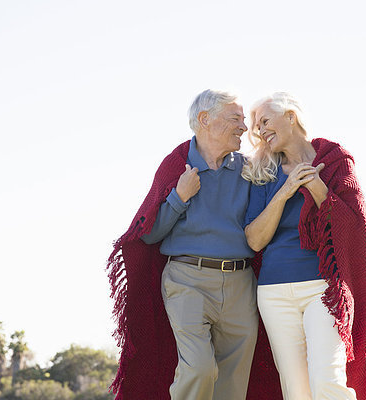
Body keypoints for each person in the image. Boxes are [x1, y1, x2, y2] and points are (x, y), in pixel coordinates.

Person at [107, 89, 258, 400]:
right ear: (205, 120)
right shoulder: (176, 163)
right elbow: (148, 234)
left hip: (241, 283)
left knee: (233, 381)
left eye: (244, 120)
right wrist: (179, 197)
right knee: (199, 369)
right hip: (188, 281)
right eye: (236, 119)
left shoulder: (249, 169)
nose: (244, 127)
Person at [242, 92, 366, 399]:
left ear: (290, 116)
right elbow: (254, 239)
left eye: (265, 121)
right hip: (273, 294)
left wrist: (316, 187)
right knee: (296, 391)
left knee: (327, 380)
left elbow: (353, 225)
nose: (260, 131)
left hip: (323, 289)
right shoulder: (263, 172)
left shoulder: (334, 160)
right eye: (256, 127)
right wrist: (285, 192)